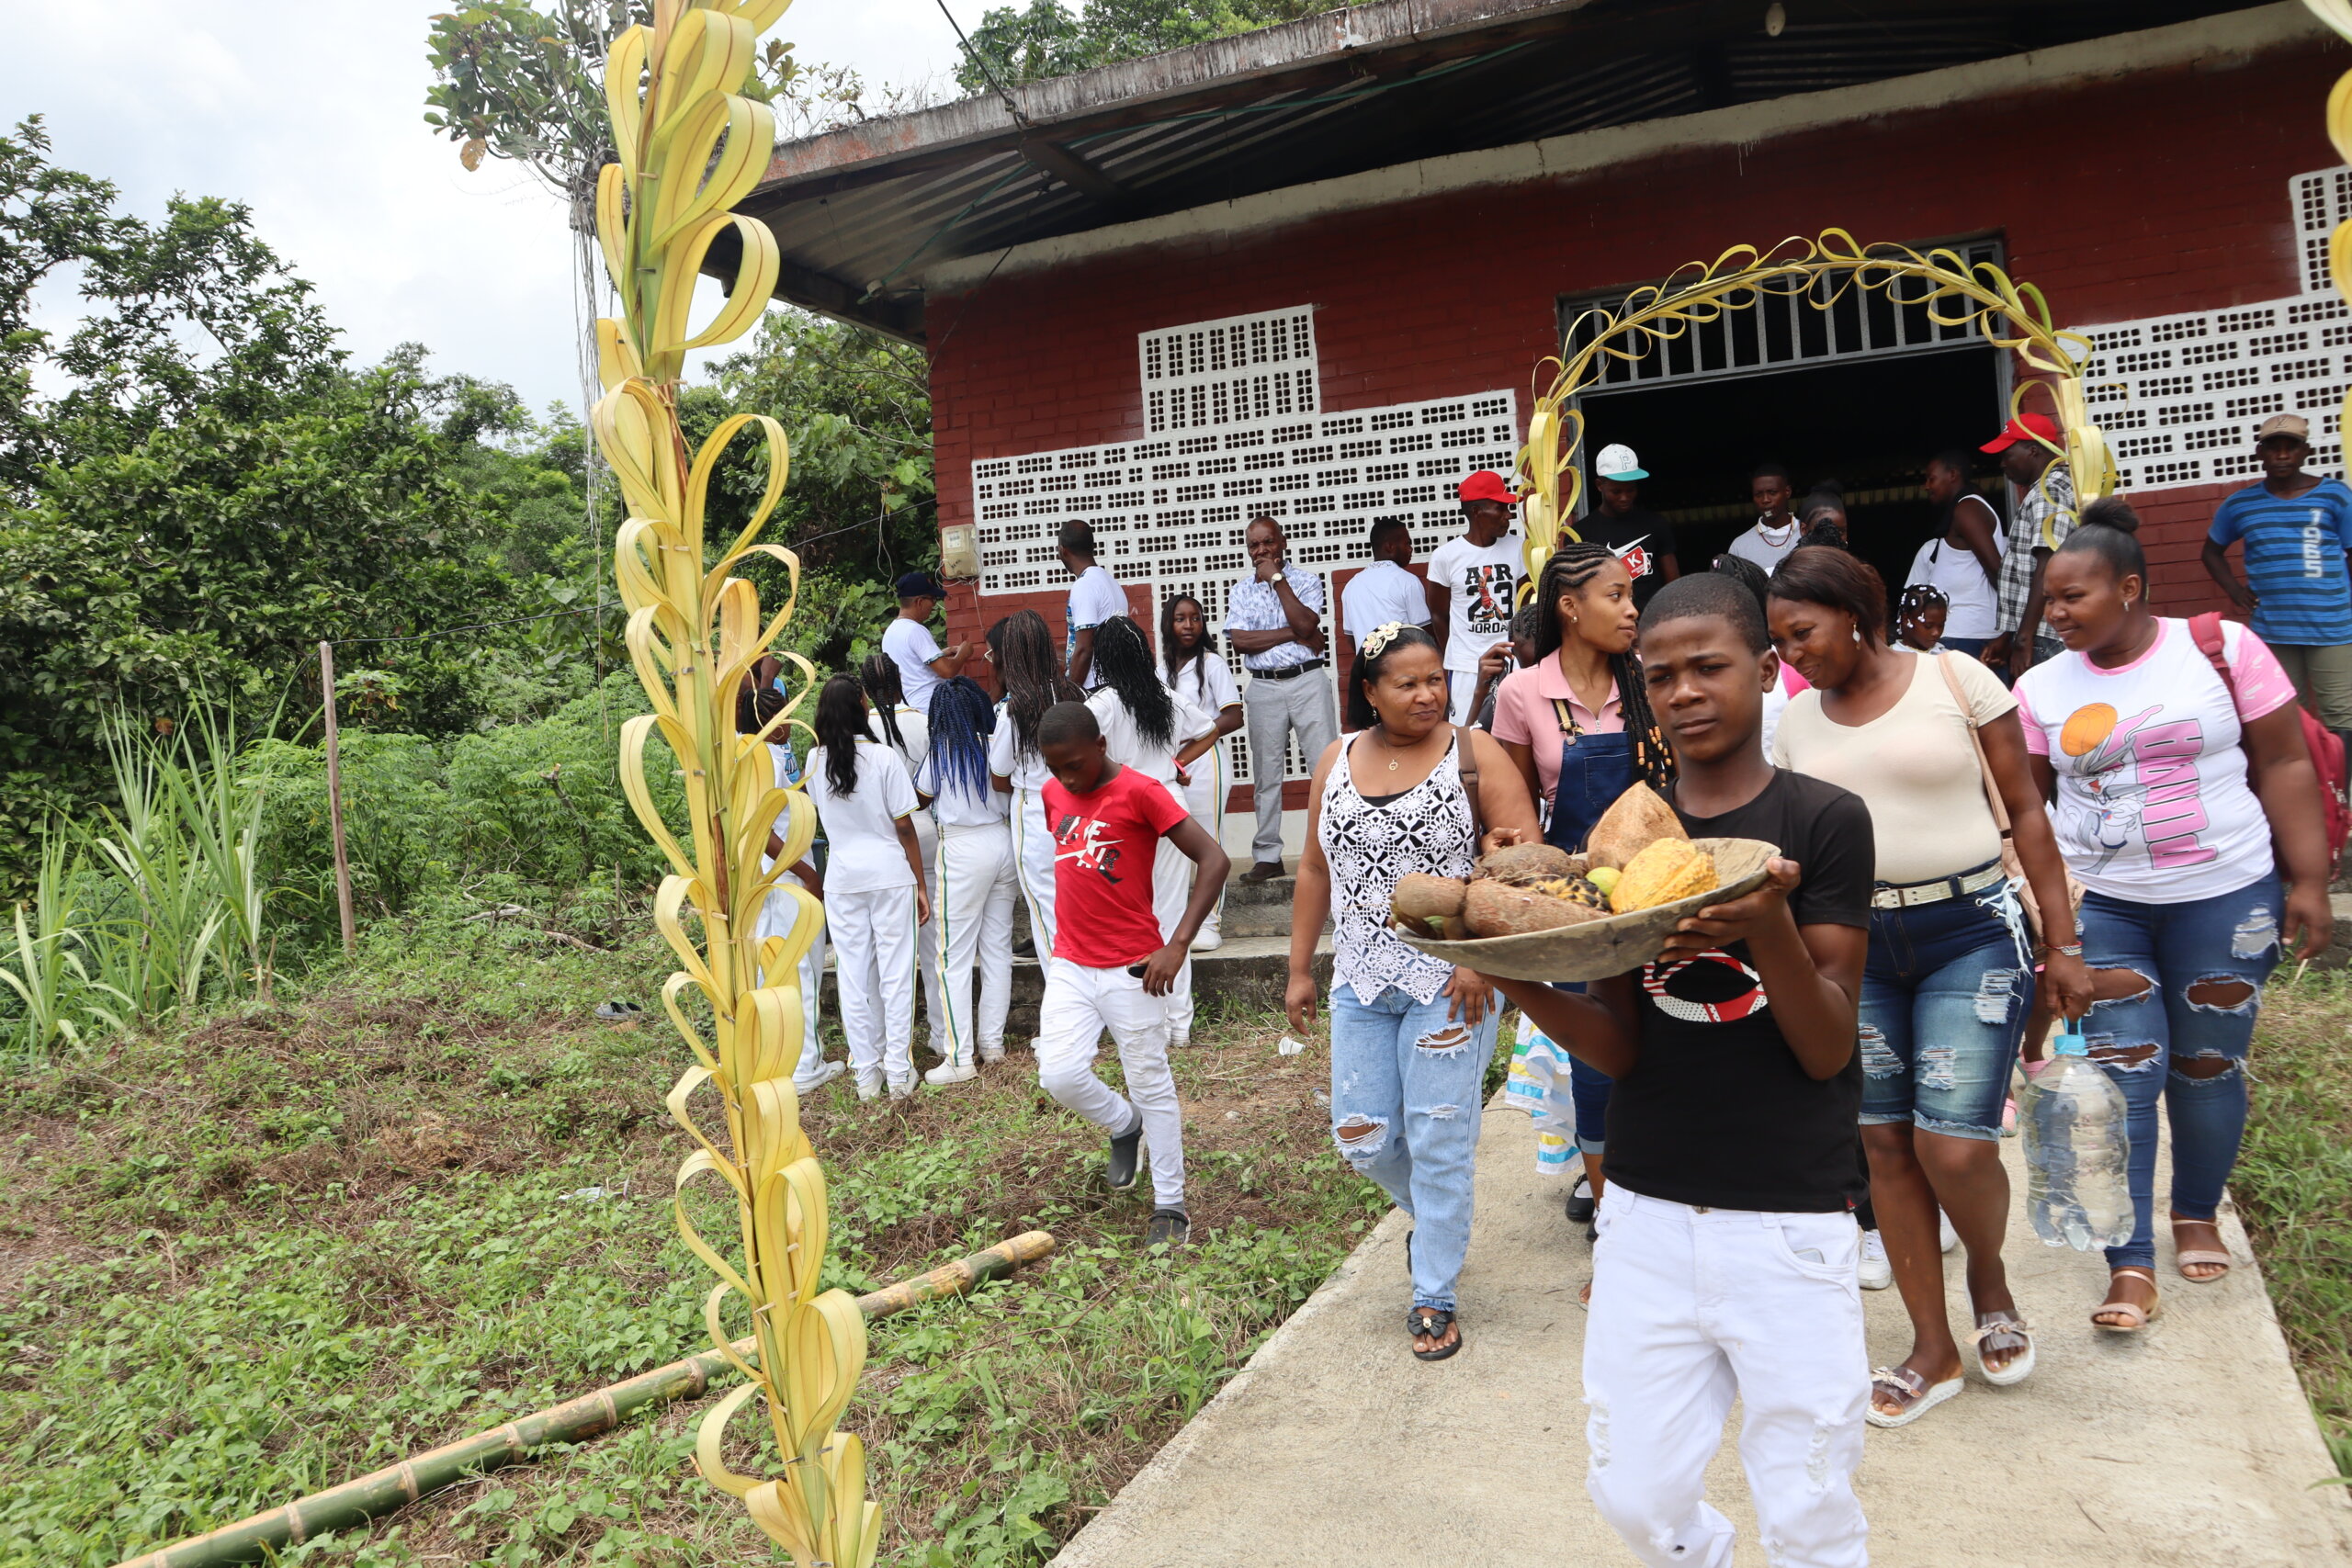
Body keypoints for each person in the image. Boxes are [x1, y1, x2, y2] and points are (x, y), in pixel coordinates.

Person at [1485, 572, 1875, 1568]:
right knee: (1634, 1492)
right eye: (1661, 676)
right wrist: (1509, 973)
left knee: (1809, 1499)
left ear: (1765, 669)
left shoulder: (1822, 823)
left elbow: (1827, 1045)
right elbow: (1620, 1045)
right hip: (1648, 1212)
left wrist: (1768, 925)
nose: (1685, 692)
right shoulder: (1625, 836)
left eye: (1709, 667)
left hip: (1788, 1212)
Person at [1768, 545, 2090, 1427]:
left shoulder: (1957, 679)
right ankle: (1931, 1346)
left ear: (1851, 611)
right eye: (1781, 642)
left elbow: (2027, 812)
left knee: (1954, 1145)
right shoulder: (1796, 724)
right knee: (1883, 1148)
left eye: (1803, 633)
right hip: (1860, 947)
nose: (1794, 654)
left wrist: (2061, 940)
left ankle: (1987, 1271)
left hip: (1970, 930)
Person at [2018, 497, 2333, 1332]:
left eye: (2072, 596)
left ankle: (2195, 1210)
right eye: (2050, 598)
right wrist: (2054, 934)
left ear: (2129, 588)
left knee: (2206, 1064)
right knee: (2127, 1076)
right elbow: (2029, 814)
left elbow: (2285, 761)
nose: (2055, 613)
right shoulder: (2039, 688)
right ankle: (2131, 1261)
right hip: (2108, 907)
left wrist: (2310, 879)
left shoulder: (2222, 649)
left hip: (2228, 897)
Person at [1286, 622, 1540, 1360]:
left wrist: (1479, 959)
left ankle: (1434, 1291)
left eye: (1436, 678)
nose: (1429, 693)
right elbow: (1312, 869)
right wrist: (1302, 967)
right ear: (1369, 691)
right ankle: (1437, 1222)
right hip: (1361, 980)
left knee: (1437, 1135)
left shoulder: (1474, 753)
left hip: (1451, 981)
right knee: (1361, 1137)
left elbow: (1521, 860)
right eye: (1408, 682)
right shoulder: (1334, 759)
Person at [1490, 542, 1677, 1229]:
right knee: (1596, 1067)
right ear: (1569, 608)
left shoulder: (1653, 680)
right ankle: (1615, 1220)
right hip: (1576, 909)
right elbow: (1510, 811)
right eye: (1617, 597)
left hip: (1659, 893)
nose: (1633, 611)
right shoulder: (1521, 692)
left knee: (1669, 1048)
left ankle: (1668, 1192)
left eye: (1632, 597)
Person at [1035, 701, 1230, 1247]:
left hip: (1132, 967)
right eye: (1055, 768)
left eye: (1074, 764)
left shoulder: (1143, 791)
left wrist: (1178, 944)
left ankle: (1170, 1204)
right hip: (1071, 964)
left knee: (1151, 1082)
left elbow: (1213, 859)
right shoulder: (1054, 794)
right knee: (1060, 1075)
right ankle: (1124, 1125)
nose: (1066, 778)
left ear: (1101, 745)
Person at [1087, 615, 1217, 1047]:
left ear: (1104, 658)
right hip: (1169, 809)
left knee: (1132, 919)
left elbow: (1080, 751)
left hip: (1126, 814)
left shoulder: (1102, 704)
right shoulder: (1164, 695)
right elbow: (1209, 729)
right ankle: (1177, 1025)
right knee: (1173, 915)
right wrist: (1178, 763)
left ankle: (1146, 1024)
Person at [806, 674, 932, 1100]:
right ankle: (899, 1073)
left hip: (842, 879)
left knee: (853, 976)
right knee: (896, 974)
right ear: (863, 708)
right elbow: (904, 827)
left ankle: (866, 1074)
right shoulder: (882, 758)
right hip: (890, 876)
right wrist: (920, 883)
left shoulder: (813, 762)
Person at [2200, 413, 2352, 736]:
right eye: (2273, 448)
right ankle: (2305, 783)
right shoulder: (2241, 504)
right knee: (2285, 712)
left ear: (2306, 452)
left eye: (2291, 447)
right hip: (2274, 629)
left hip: (2333, 627)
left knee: (2341, 714)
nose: (2282, 455)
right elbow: (2211, 553)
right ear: (2260, 454)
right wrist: (2235, 592)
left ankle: (2340, 784)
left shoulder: (2335, 495)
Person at [741, 670, 843, 1093]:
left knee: (773, 966)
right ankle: (805, 1067)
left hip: (771, 876)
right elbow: (762, 829)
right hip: (784, 873)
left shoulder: (754, 752)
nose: (789, 725)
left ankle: (777, 1060)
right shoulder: (763, 757)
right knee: (800, 964)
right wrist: (807, 873)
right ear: (768, 723)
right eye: (783, 718)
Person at [1225, 515, 1337, 885]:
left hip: (1307, 681)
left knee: (1324, 769)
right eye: (1254, 545)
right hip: (1263, 687)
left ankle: (1331, 849)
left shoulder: (1306, 581)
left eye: (1267, 543)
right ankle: (1268, 855)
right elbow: (1240, 642)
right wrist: (1297, 633)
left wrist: (1277, 580)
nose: (1261, 551)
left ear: (1282, 542)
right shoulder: (1240, 591)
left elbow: (1309, 625)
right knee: (1266, 775)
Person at [917, 676, 1016, 1086]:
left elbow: (918, 797)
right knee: (998, 949)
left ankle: (960, 1057)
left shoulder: (941, 752)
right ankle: (992, 1045)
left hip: (962, 849)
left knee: (952, 958)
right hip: (1003, 842)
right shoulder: (994, 745)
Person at [860, 652, 946, 1069]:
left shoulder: (861, 730)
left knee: (882, 950)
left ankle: (881, 1043)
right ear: (899, 681)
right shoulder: (921, 717)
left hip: (881, 840)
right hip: (924, 831)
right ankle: (941, 1032)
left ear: (863, 690)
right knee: (933, 942)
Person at [989, 609, 1083, 956]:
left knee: (1047, 914)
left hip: (1035, 813)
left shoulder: (1015, 710)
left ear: (1010, 656)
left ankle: (1065, 999)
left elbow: (999, 777)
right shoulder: (1076, 695)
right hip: (1080, 810)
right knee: (1082, 905)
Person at [1162, 592, 1245, 952]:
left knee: (1208, 840)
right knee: (1173, 843)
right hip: (1170, 762)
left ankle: (1210, 924)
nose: (1188, 625)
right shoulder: (1160, 668)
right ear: (1169, 623)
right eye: (1181, 618)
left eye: (1195, 618)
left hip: (1207, 760)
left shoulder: (1211, 663)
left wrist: (1197, 733)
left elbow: (1233, 715)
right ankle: (1179, 921)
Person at [1983, 412, 2076, 683]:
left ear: (2033, 450)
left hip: (2045, 634)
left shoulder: (2051, 491)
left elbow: (2048, 566)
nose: (2002, 464)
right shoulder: (2044, 489)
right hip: (2038, 632)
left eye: (2007, 454)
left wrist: (2023, 640)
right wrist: (2008, 636)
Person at [1430, 470, 1527, 722]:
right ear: (1477, 512)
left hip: (1513, 663)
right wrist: (1457, 654)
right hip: (1466, 668)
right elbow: (1438, 614)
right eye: (1501, 508)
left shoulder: (1518, 547)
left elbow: (1527, 604)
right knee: (1467, 738)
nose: (1508, 515)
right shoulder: (1446, 556)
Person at [1911, 450, 2005, 660]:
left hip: (1968, 637)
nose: (1927, 486)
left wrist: (2011, 633)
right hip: (1963, 635)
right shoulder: (1963, 509)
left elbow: (1997, 571)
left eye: (1931, 478)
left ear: (1952, 475)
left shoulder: (1968, 509)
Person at [1575, 444, 1679, 611]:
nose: (1625, 497)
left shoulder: (1655, 524)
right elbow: (1579, 593)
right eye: (1616, 491)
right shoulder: (1581, 533)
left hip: (1651, 623)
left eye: (1631, 490)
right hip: (1607, 627)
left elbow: (1674, 585)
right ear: (1599, 485)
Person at [1339, 516, 1436, 664]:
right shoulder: (1407, 581)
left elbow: (1352, 638)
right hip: (1404, 671)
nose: (1410, 549)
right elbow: (1424, 634)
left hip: (1370, 673)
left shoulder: (1351, 586)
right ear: (1390, 546)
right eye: (1407, 543)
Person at [881, 571, 966, 717]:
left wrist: (942, 654)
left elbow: (911, 664)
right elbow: (947, 671)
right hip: (932, 710)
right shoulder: (915, 630)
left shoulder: (890, 632)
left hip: (910, 711)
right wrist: (964, 653)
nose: (934, 605)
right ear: (919, 601)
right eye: (932, 599)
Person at [1057, 523, 1128, 690]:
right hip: (1115, 683)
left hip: (1094, 687)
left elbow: (1084, 649)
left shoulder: (1084, 585)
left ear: (1063, 550)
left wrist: (1073, 696)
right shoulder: (1111, 582)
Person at [1470, 605, 1540, 731]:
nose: (1535, 675)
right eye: (1528, 669)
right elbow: (1465, 747)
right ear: (1513, 653)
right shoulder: (1506, 692)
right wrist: (1480, 692)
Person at [1725, 462, 1803, 571]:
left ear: (1787, 492)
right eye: (1758, 494)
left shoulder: (1807, 533)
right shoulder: (1740, 546)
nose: (1765, 499)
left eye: (1772, 492)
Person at [1894, 582, 1951, 654]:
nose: (1936, 633)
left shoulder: (1948, 657)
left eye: (1941, 625)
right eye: (1928, 626)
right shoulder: (1890, 657)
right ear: (1906, 620)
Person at [1798, 483, 1849, 550]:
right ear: (1804, 530)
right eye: (1825, 531)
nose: (1835, 537)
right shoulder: (1793, 560)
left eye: (1841, 532)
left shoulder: (1848, 560)